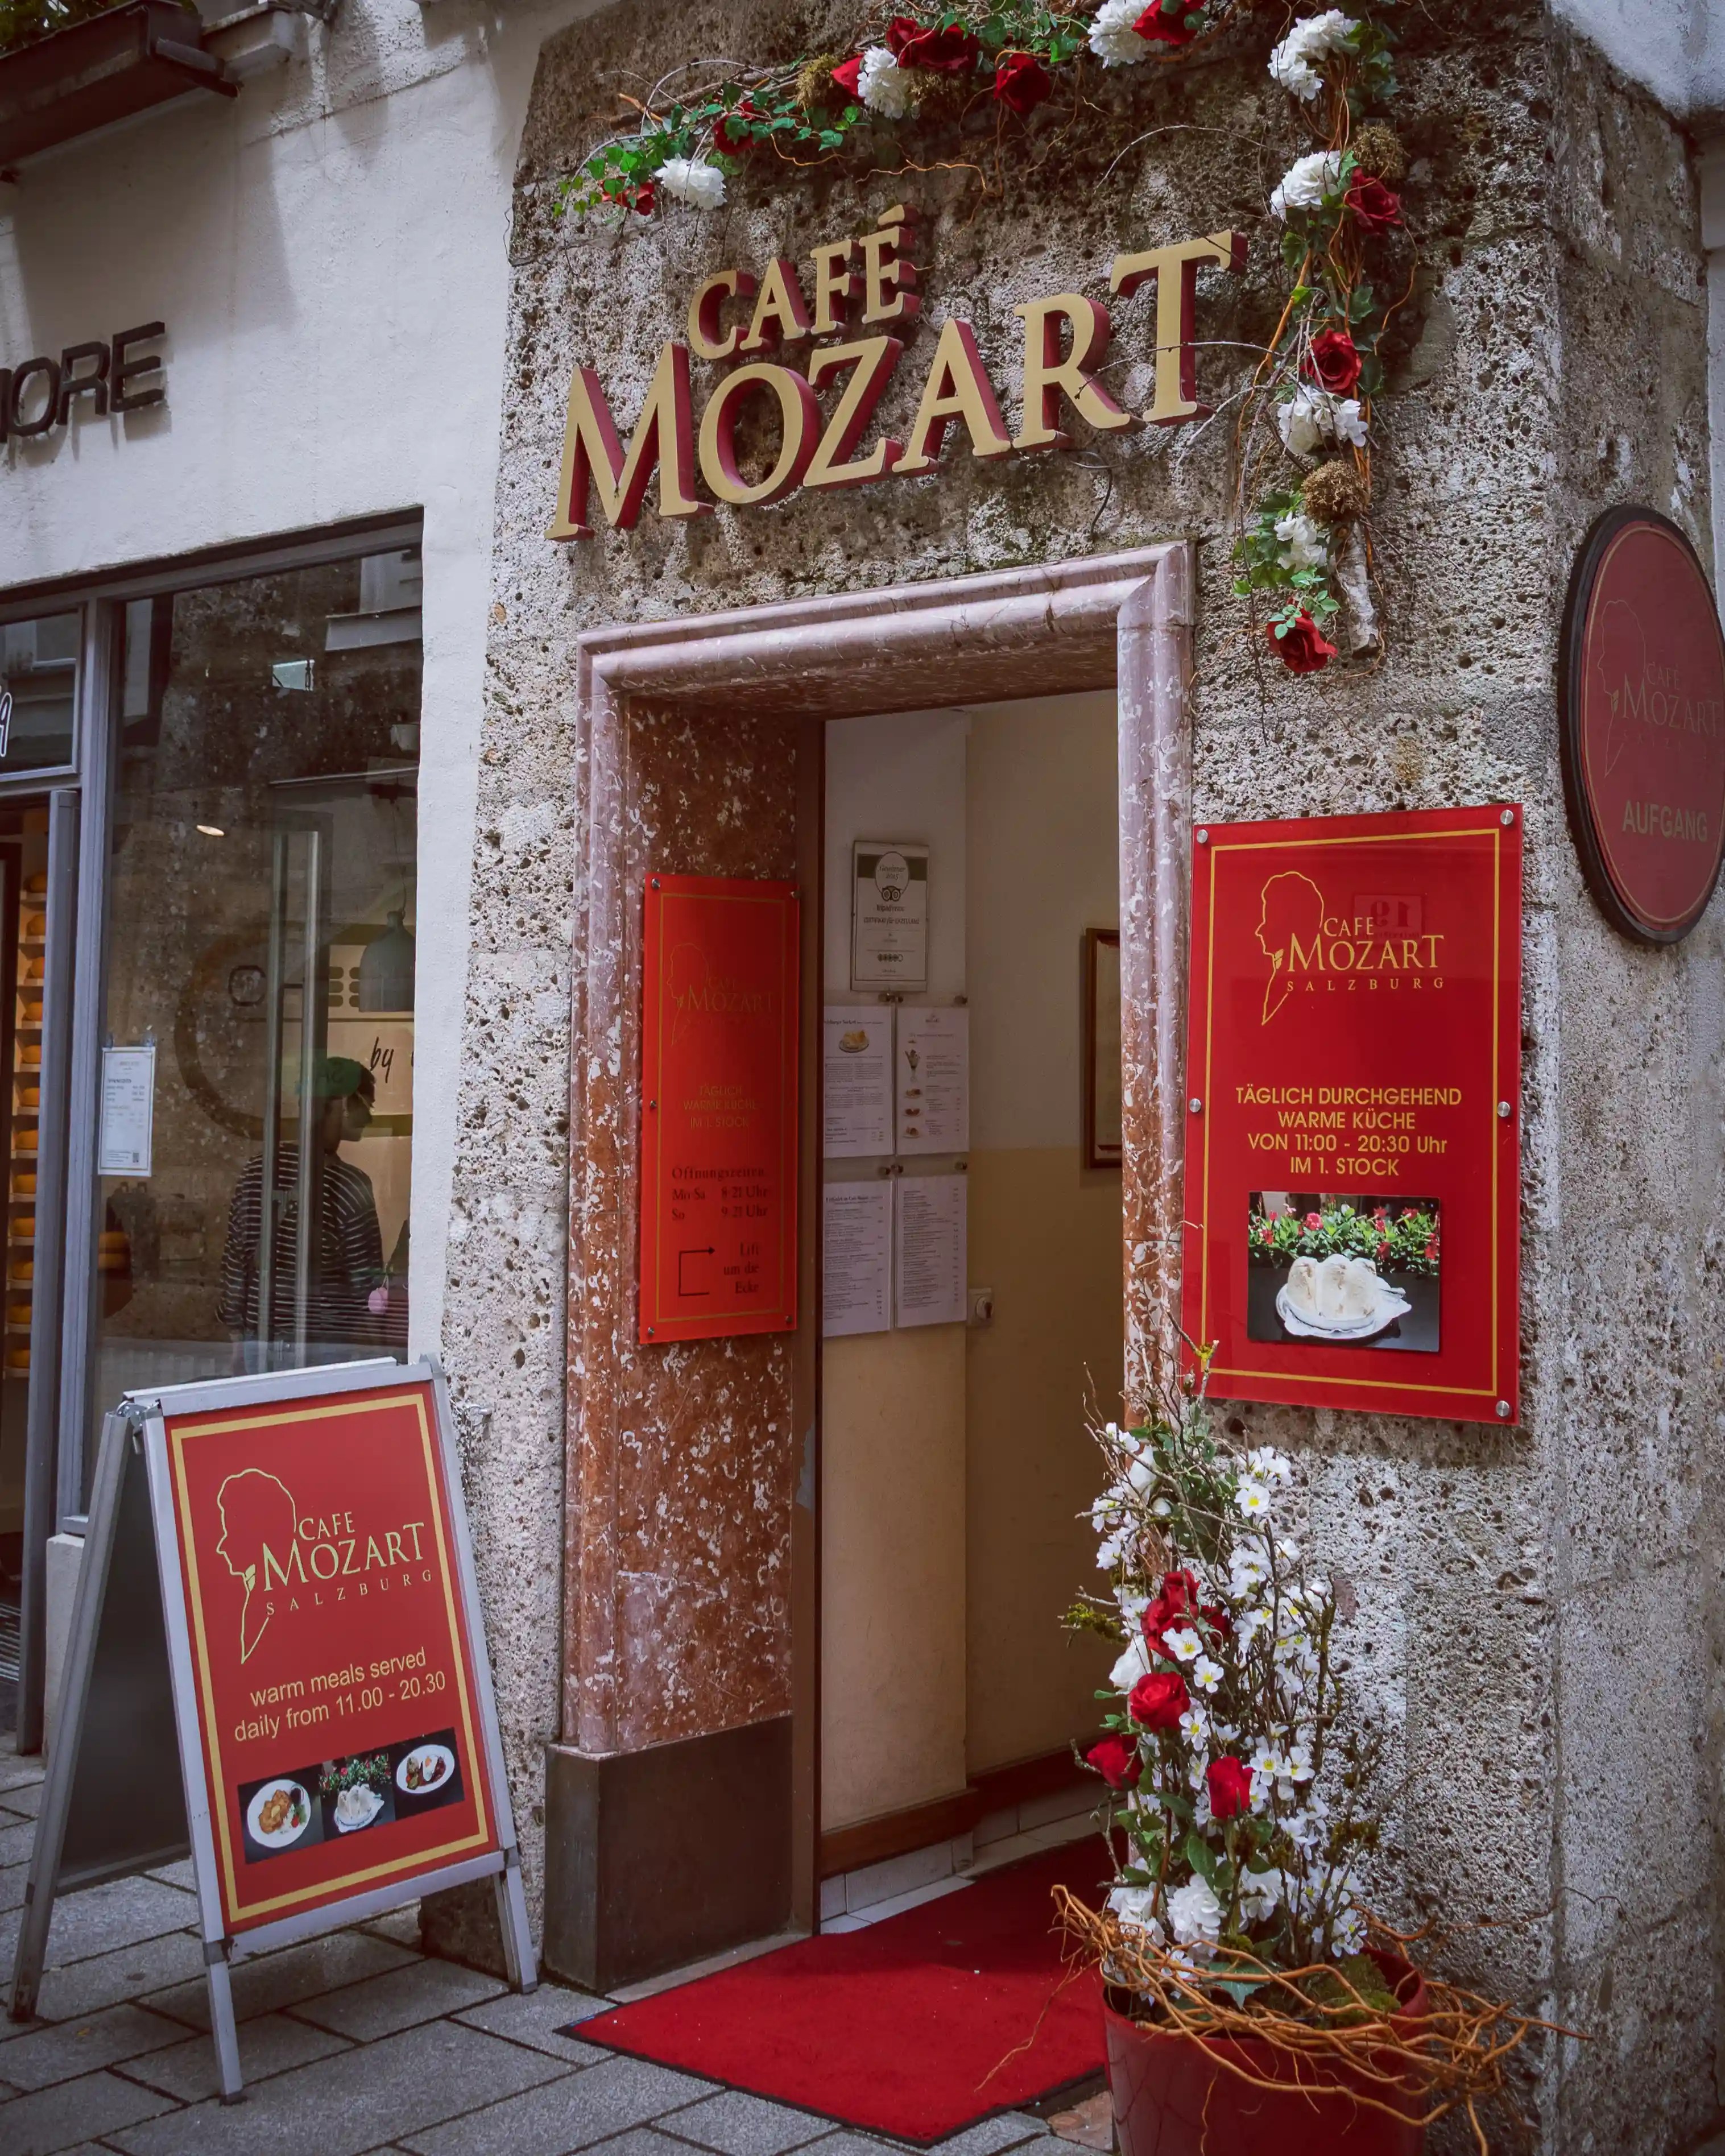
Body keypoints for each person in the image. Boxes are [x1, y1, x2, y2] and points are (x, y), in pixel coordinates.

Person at [217, 1056, 385, 1366]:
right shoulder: (349, 1185)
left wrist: (236, 1334)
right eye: (367, 1105)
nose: (369, 1118)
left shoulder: (257, 1171)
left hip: (259, 1338)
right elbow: (366, 1281)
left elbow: (235, 1260)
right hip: (321, 1346)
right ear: (344, 1103)